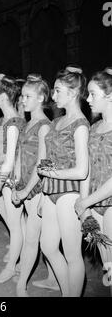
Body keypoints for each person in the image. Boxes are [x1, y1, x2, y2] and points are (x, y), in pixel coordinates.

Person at [37, 68, 89, 296]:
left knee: (72, 254)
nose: (54, 96)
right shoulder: (57, 120)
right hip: (50, 191)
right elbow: (46, 160)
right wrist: (42, 192)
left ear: (73, 92)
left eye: (58, 91)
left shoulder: (80, 125)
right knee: (47, 246)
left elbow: (81, 170)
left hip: (69, 193)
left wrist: (50, 173)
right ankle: (66, 289)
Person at [11, 74, 58, 296]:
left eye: (27, 96)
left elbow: (42, 165)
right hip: (24, 188)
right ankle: (53, 279)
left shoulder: (44, 127)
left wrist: (25, 191)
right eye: (22, 96)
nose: (22, 100)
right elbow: (21, 156)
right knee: (37, 237)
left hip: (38, 189)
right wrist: (16, 183)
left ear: (40, 98)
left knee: (33, 238)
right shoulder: (28, 123)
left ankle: (22, 285)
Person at [74, 68, 112, 296]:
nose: (88, 99)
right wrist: (83, 203)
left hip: (109, 204)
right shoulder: (95, 127)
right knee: (106, 265)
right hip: (93, 202)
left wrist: (87, 201)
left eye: (93, 94)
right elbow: (86, 169)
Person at [0, 76, 26, 283]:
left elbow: (10, 161)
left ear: (3, 97)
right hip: (5, 176)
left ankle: (12, 266)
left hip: (11, 179)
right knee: (16, 223)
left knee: (15, 224)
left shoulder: (12, 123)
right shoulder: (4, 120)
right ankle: (18, 258)